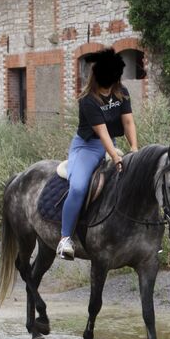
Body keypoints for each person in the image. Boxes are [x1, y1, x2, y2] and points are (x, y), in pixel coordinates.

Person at [56, 48, 138, 260]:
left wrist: (135, 150)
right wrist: (116, 156)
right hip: (88, 148)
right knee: (79, 187)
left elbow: (128, 121)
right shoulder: (87, 100)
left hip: (112, 143)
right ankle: (65, 238)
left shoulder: (122, 92)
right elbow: (101, 133)